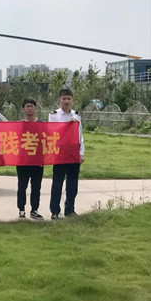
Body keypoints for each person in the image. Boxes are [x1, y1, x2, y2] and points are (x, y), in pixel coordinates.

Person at [48, 88, 85, 219]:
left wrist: (81, 153)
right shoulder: (54, 114)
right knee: (57, 183)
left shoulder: (76, 115)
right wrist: (65, 124)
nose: (66, 101)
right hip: (60, 153)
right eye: (64, 99)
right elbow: (52, 131)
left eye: (69, 98)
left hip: (73, 153)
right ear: (59, 100)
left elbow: (80, 135)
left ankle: (70, 209)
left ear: (72, 100)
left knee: (72, 184)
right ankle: (54, 211)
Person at [16, 98, 44, 220]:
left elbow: (45, 141)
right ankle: (21, 210)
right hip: (23, 160)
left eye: (32, 106)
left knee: (36, 187)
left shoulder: (41, 124)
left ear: (35, 108)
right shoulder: (19, 124)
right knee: (22, 186)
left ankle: (34, 210)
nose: (30, 108)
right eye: (27, 106)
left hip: (37, 161)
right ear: (23, 109)